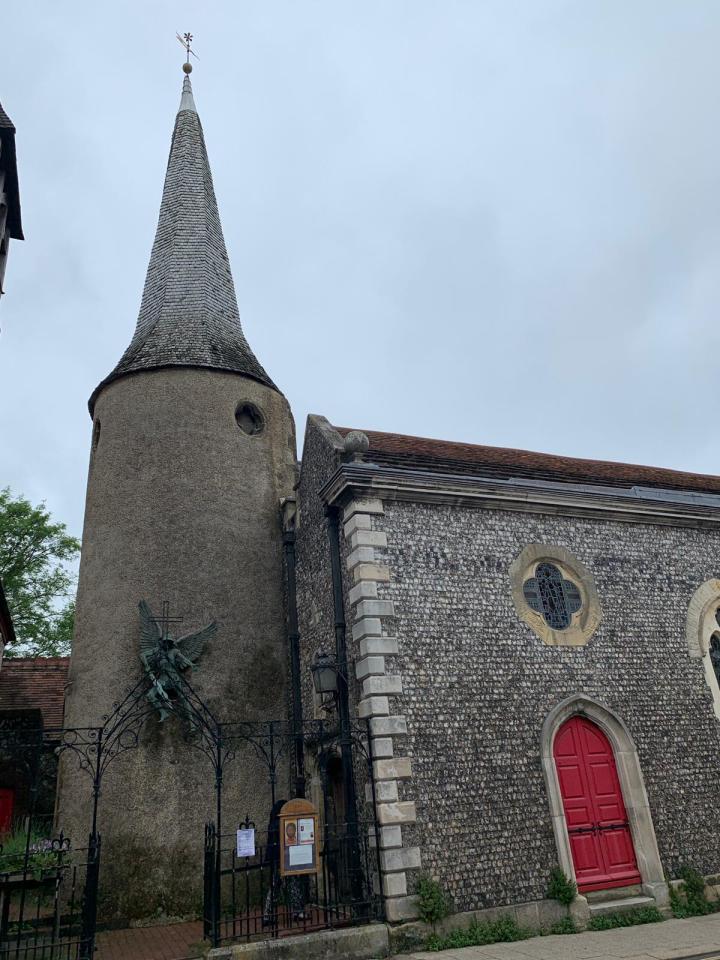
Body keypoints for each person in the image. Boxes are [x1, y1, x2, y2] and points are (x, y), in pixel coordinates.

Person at [262, 799, 305, 926]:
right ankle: (297, 911)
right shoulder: (280, 823)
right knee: (288, 883)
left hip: (278, 858)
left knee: (279, 885)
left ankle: (268, 914)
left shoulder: (273, 823)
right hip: (283, 858)